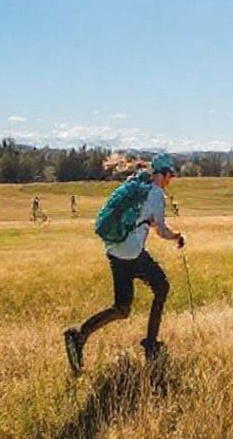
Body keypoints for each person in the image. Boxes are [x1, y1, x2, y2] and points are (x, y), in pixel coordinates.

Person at [63, 154, 184, 372]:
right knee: (162, 287)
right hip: (132, 253)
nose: (170, 180)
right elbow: (162, 230)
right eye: (170, 175)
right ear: (163, 174)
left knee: (122, 308)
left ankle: (79, 335)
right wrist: (177, 237)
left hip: (115, 251)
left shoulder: (135, 185)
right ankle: (151, 344)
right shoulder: (156, 194)